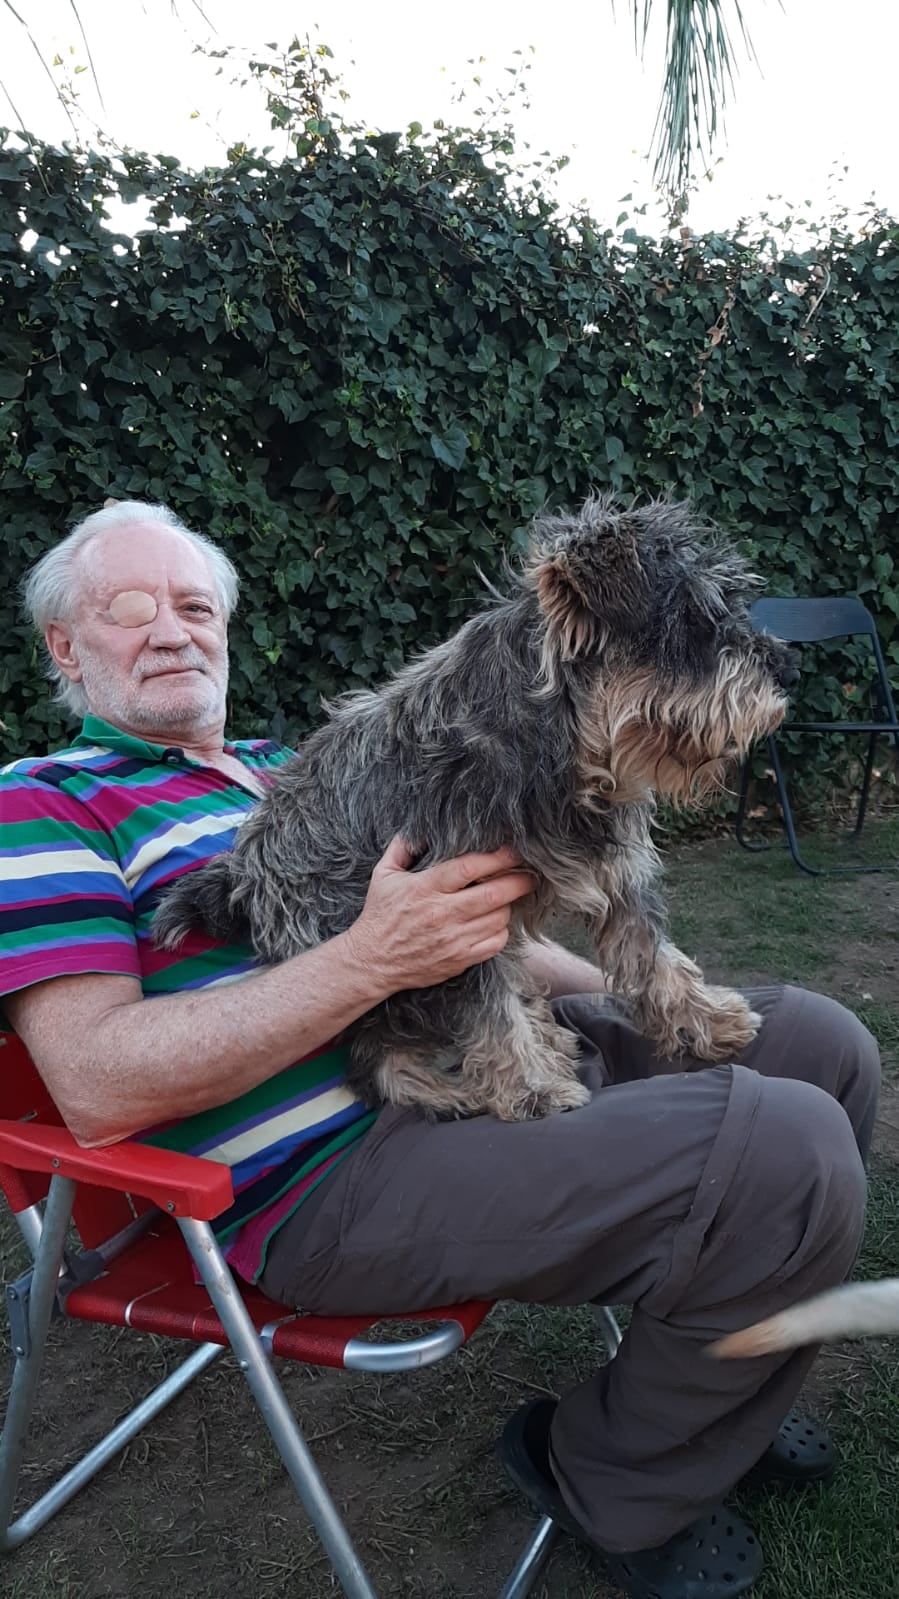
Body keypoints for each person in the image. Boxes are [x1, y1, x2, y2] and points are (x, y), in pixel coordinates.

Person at [0, 500, 878, 1599]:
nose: (173, 633)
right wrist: (369, 960)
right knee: (781, 1149)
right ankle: (610, 1473)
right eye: (131, 612)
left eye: (194, 607)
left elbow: (483, 928)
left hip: (477, 1051)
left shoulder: (289, 767)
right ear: (64, 648)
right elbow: (94, 1083)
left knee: (820, 1045)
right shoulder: (43, 805)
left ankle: (710, 1399)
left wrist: (631, 995)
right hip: (327, 1175)